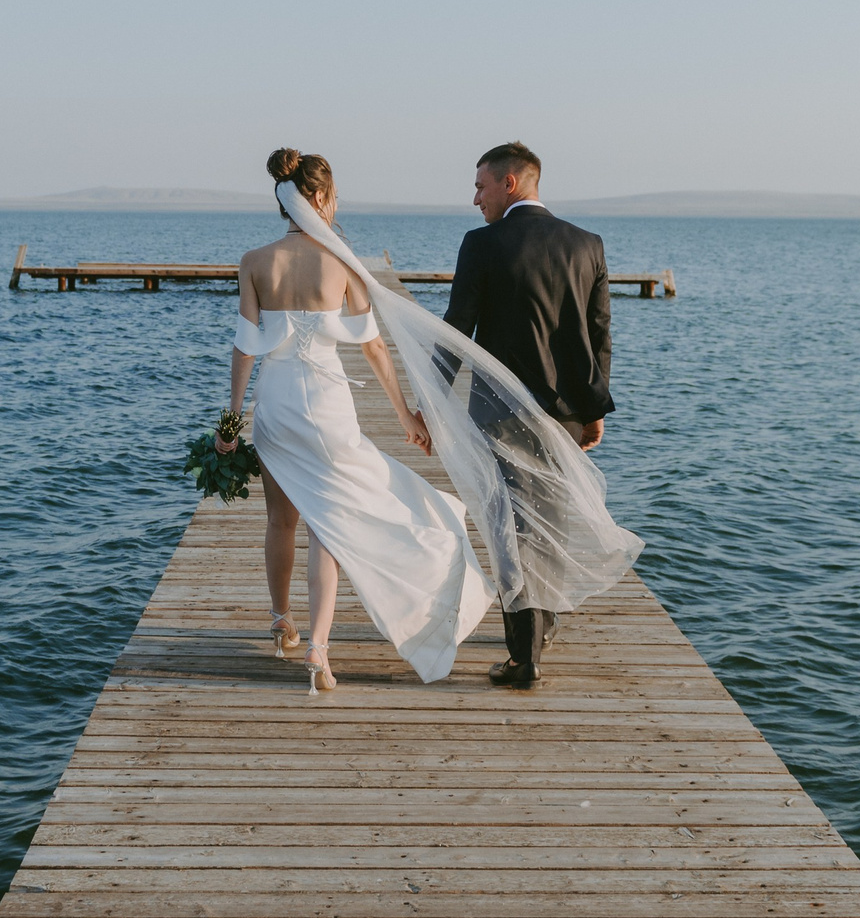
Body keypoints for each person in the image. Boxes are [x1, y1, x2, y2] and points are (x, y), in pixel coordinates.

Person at [214, 149, 492, 693]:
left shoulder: (254, 261)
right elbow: (373, 348)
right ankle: (319, 648)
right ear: (320, 199)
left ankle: (280, 623)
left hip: (276, 405)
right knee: (327, 524)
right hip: (328, 406)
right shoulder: (341, 262)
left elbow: (245, 350)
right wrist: (405, 414)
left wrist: (231, 420)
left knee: (280, 519)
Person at [442, 140, 616, 688]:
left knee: (507, 525)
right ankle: (545, 625)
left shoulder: (482, 244)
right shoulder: (587, 245)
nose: (476, 198)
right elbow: (599, 337)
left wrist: (428, 402)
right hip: (563, 413)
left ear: (510, 183)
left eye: (480, 186)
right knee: (551, 520)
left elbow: (456, 329)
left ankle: (524, 657)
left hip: (498, 411)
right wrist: (593, 410)